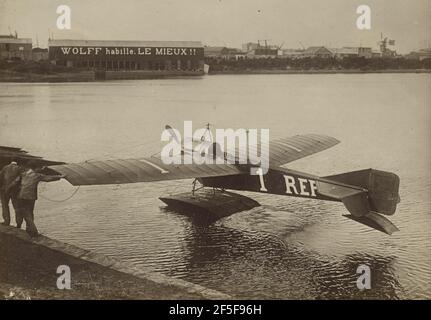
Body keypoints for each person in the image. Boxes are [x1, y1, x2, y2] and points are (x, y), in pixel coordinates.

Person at [14, 162, 65, 237]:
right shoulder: (37, 175)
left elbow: (15, 182)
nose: (39, 169)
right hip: (31, 197)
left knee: (25, 213)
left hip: (22, 196)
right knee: (30, 213)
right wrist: (60, 176)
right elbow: (48, 178)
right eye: (38, 168)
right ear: (35, 168)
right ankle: (33, 231)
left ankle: (30, 230)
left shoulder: (23, 174)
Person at [0, 160, 23, 227]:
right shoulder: (19, 168)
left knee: (5, 206)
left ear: (10, 162)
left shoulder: (5, 168)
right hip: (15, 191)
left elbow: (0, 178)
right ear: (17, 162)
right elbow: (21, 179)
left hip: (4, 190)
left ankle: (6, 221)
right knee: (17, 207)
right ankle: (19, 223)